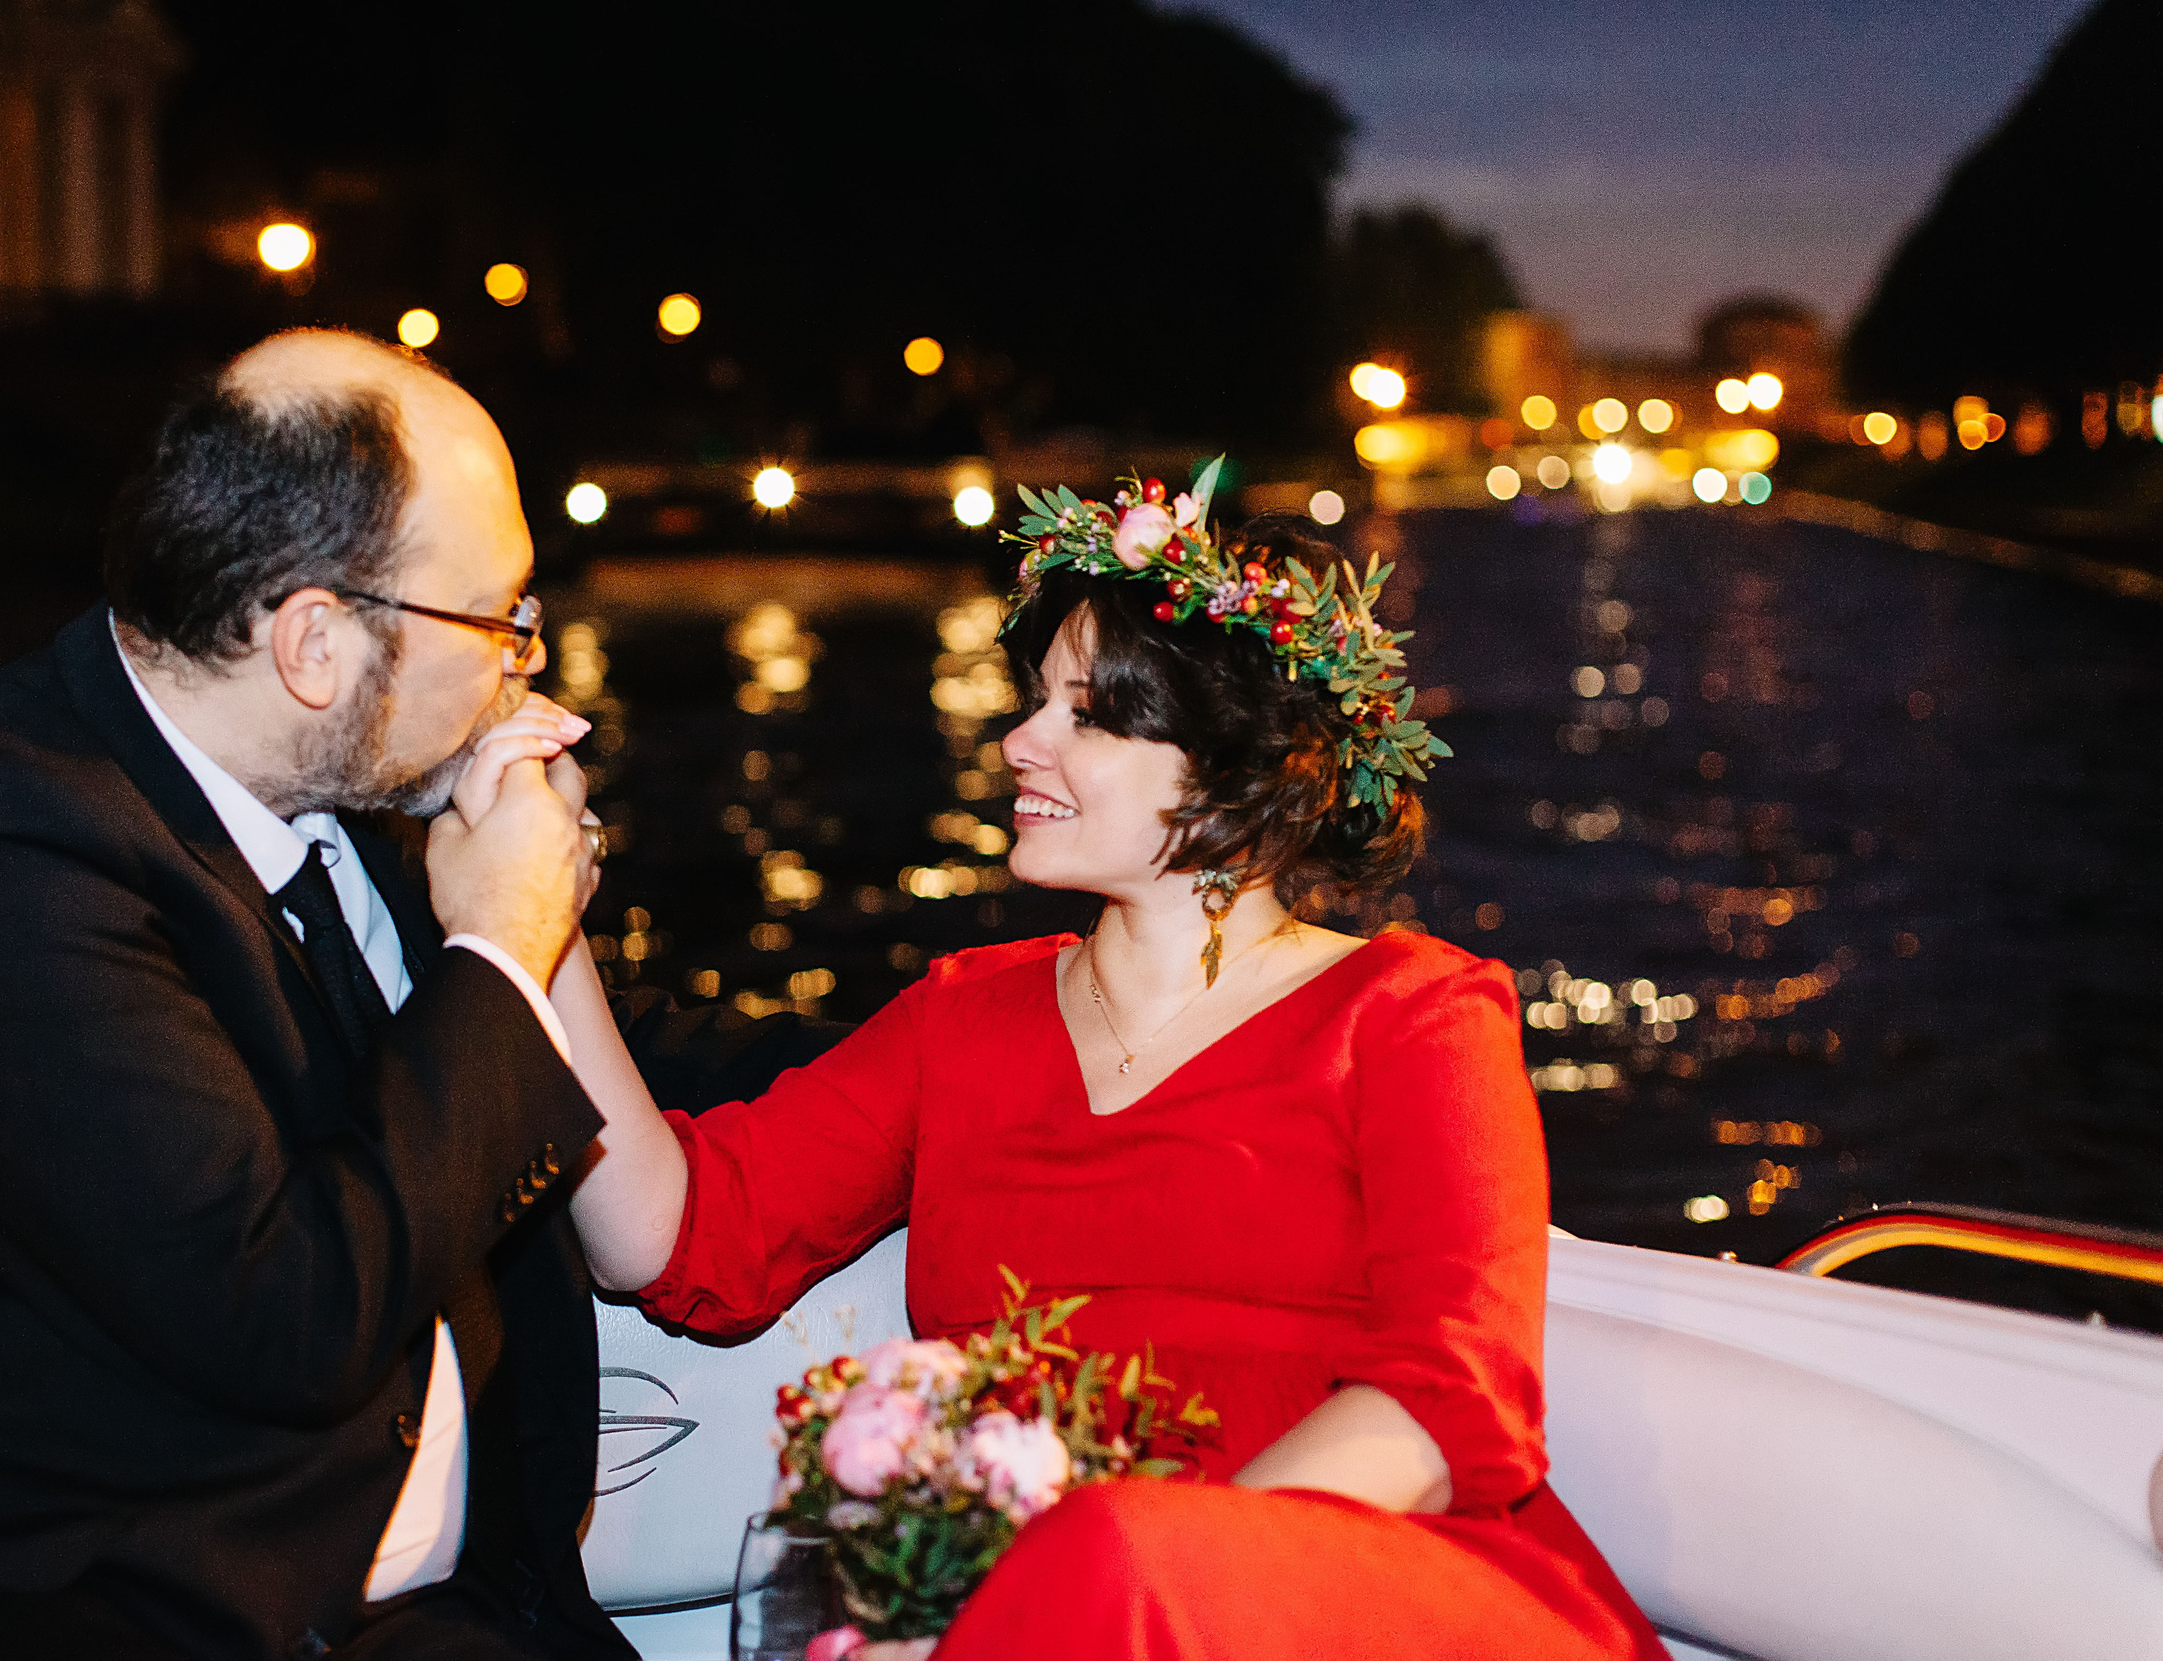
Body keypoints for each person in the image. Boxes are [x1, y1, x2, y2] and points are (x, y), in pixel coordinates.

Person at [0, 330, 829, 1661]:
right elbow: (285, 1315)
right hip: (48, 1613)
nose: (522, 663)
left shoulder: (340, 798)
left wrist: (1005, 1034)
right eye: (499, 617)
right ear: (316, 641)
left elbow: (605, 1058)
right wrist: (502, 932)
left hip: (428, 1610)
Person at [559, 470, 1671, 1659]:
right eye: (1033, 700)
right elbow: (668, 1239)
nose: (1018, 740)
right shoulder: (960, 1023)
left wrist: (1095, 1586)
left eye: (1087, 715)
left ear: (1245, 767)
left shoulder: (1412, 1014)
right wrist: (541, 932)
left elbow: (1451, 1405)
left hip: (1374, 1600)